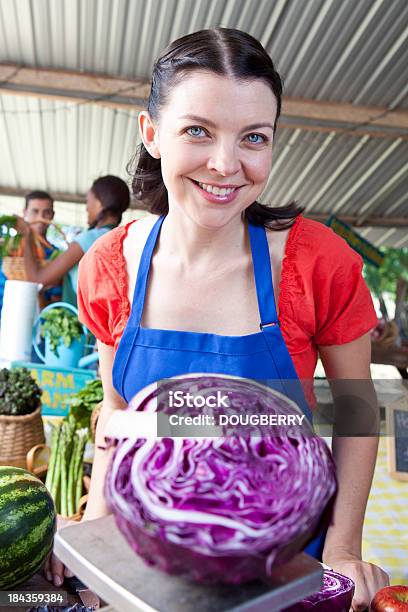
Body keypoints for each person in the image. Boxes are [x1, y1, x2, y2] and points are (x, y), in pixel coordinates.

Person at [48, 29, 389, 609]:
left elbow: (356, 409)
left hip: (280, 564)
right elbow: (119, 411)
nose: (227, 165)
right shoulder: (109, 266)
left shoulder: (319, 264)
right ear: (152, 134)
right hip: (146, 560)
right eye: (198, 131)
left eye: (254, 137)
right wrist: (96, 526)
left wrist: (342, 548)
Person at [14, 176, 130, 308]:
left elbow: (37, 280)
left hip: (82, 322)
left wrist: (27, 236)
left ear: (99, 204)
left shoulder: (89, 239)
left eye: (88, 202)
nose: (87, 209)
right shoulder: (123, 238)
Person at [4, 191, 62, 305]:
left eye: (46, 212)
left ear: (52, 215)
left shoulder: (57, 256)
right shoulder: (8, 250)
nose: (40, 218)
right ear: (25, 212)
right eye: (35, 211)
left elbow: (54, 305)